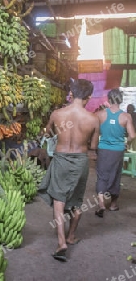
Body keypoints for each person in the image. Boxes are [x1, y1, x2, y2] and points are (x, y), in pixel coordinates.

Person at [38, 79, 100, 262]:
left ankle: (61, 242)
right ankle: (71, 236)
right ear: (89, 97)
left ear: (71, 94)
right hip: (81, 161)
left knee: (59, 201)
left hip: (61, 159)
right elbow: (94, 146)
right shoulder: (93, 119)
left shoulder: (57, 114)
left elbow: (47, 134)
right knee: (76, 202)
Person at [95, 89, 135, 217]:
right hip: (118, 150)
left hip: (103, 149)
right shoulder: (126, 116)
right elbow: (132, 135)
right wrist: (126, 143)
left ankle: (101, 204)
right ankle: (112, 205)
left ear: (109, 99)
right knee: (115, 175)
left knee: (102, 175)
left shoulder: (100, 115)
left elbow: (94, 132)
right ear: (121, 100)